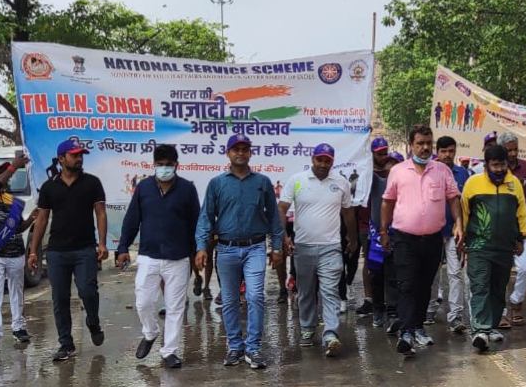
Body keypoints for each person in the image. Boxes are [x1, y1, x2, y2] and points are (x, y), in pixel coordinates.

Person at [194, 134, 284, 369]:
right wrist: (201, 247)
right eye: (236, 149)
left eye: (245, 149)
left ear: (250, 153)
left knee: (255, 296)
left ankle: (253, 348)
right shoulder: (217, 183)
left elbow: (274, 217)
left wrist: (277, 248)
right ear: (228, 153)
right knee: (229, 299)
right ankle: (235, 346)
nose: (241, 153)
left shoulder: (262, 182)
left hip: (255, 247)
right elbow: (206, 217)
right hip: (226, 249)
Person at [380, 124, 463, 356]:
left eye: (428, 143)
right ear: (411, 145)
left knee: (425, 285)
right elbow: (387, 202)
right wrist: (383, 231)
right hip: (404, 238)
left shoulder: (441, 171)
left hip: (433, 239)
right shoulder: (398, 171)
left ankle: (418, 327)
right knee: (407, 284)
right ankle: (406, 333)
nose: (425, 148)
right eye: (420, 143)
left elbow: (453, 199)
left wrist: (459, 224)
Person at [116, 145, 200, 368]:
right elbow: (132, 220)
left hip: (179, 257)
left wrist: (198, 251)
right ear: (153, 165)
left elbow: (196, 223)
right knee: (143, 302)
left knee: (175, 307)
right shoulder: (144, 188)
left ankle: (169, 351)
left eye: (168, 165)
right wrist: (123, 248)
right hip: (149, 255)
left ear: (176, 165)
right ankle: (150, 331)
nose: (164, 168)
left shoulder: (187, 189)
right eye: (160, 164)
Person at [27, 139, 109, 361]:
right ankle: (66, 343)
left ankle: (93, 321)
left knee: (88, 291)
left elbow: (100, 213)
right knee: (60, 298)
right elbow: (42, 219)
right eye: (75, 155)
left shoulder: (92, 183)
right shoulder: (49, 187)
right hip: (57, 252)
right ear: (62, 159)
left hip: (85, 249)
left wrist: (102, 243)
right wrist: (33, 251)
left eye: (81, 155)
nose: (79, 158)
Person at [279, 143, 358, 357]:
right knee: (306, 291)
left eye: (327, 161)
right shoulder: (297, 180)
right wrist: (283, 236)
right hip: (303, 247)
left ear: (332, 162)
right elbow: (282, 208)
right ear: (312, 159)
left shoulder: (341, 183)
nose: (323, 164)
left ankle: (330, 334)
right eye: (319, 160)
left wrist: (352, 239)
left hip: (331, 247)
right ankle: (307, 328)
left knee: (330, 291)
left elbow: (348, 213)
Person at [461, 145, 526, 352]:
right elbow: (464, 211)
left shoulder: (514, 184)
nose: (499, 169)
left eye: (502, 165)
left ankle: (491, 327)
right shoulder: (473, 184)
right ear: (486, 165)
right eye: (495, 165)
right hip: (479, 246)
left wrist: (521, 237)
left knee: (499, 287)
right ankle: (480, 330)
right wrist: (461, 236)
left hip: (505, 247)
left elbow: (521, 212)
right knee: (480, 285)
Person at [0, 155, 37, 352]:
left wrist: (31, 219)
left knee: (17, 291)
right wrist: (13, 167)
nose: (3, 175)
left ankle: (19, 327)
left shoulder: (12, 201)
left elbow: (17, 228)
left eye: (3, 171)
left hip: (16, 253)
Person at [425, 136, 470, 333]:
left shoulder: (463, 174)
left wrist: (463, 229)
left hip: (454, 232)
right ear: (437, 151)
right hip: (433, 231)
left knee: (455, 273)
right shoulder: (429, 172)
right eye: (443, 151)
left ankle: (456, 315)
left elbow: (465, 204)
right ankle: (430, 308)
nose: (447, 155)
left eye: (451, 151)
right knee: (432, 273)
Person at [497, 132, 526, 328]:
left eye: (515, 149)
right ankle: (501, 312)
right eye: (509, 150)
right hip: (501, 228)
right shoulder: (495, 169)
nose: (513, 153)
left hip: (524, 227)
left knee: (525, 269)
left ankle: (516, 302)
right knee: (501, 272)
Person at [354, 137, 392, 317]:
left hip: (390, 225)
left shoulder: (393, 172)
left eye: (385, 153)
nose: (383, 157)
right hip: (367, 225)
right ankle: (370, 298)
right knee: (369, 263)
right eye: (379, 154)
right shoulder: (366, 173)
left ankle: (386, 299)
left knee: (389, 263)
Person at [367, 150, 404, 329]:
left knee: (393, 275)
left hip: (398, 234)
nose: (392, 167)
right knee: (376, 274)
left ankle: (392, 312)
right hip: (377, 236)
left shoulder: (406, 186)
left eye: (396, 163)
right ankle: (377, 308)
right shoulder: (376, 181)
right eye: (389, 163)